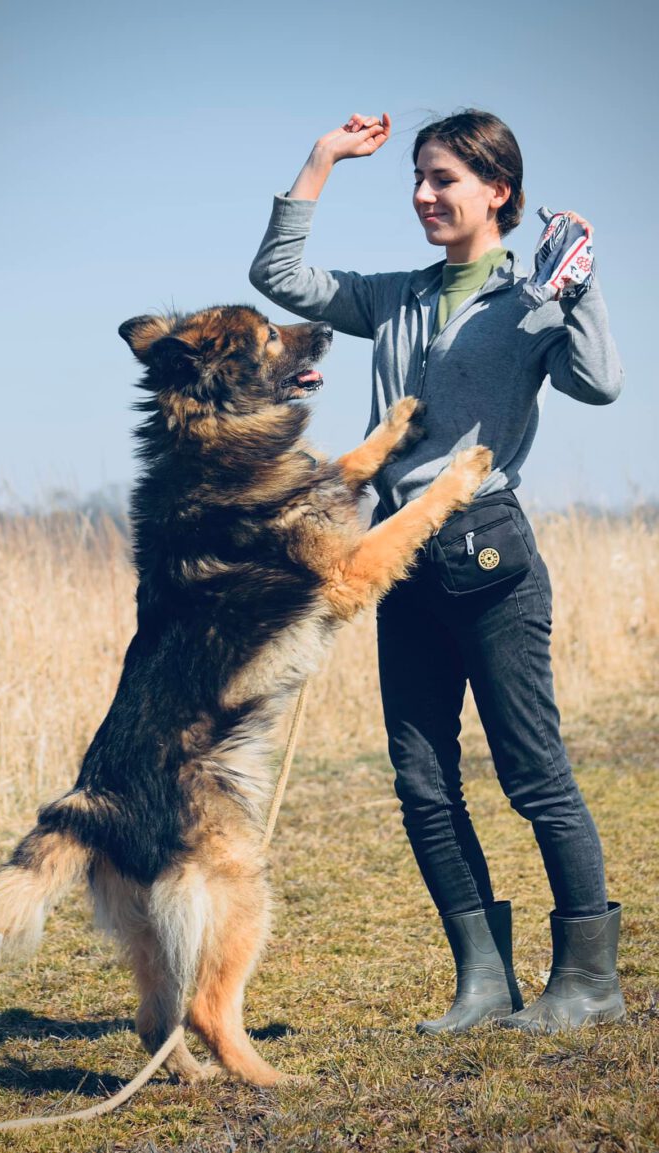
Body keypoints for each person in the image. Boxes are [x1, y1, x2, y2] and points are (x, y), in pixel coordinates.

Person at [249, 109, 626, 1034]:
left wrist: (579, 290)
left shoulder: (534, 297)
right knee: (422, 781)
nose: (423, 194)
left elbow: (600, 383)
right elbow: (278, 277)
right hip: (399, 562)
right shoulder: (395, 296)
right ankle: (485, 982)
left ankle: (588, 983)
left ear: (498, 190)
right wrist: (322, 159)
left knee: (533, 775)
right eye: (418, 177)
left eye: (444, 178)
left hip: (492, 558)